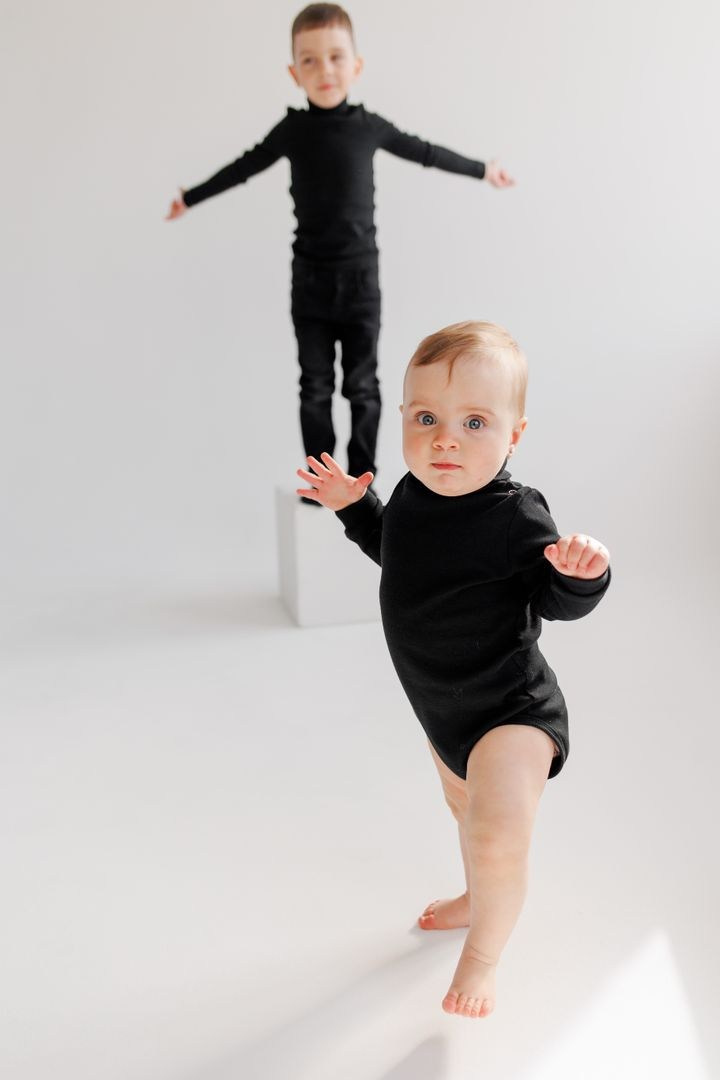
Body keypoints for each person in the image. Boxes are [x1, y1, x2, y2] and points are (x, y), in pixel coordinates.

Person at [295, 320, 611, 1018]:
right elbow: (397, 551)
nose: (445, 440)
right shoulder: (413, 495)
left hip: (511, 710)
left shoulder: (515, 513)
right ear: (404, 417)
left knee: (497, 833)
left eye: (474, 422)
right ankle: (476, 896)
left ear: (513, 435)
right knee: (467, 817)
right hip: (444, 710)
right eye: (427, 419)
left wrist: (580, 576)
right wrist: (355, 507)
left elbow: (552, 600)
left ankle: (484, 958)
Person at [166, 4, 514, 495]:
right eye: (309, 61)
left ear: (356, 66)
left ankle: (360, 484)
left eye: (335, 57)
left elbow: (425, 152)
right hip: (309, 280)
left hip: (360, 281)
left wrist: (483, 170)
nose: (324, 70)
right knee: (315, 387)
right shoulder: (292, 131)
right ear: (294, 73)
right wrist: (189, 198)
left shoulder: (369, 126)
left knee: (363, 386)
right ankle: (323, 481)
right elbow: (242, 168)